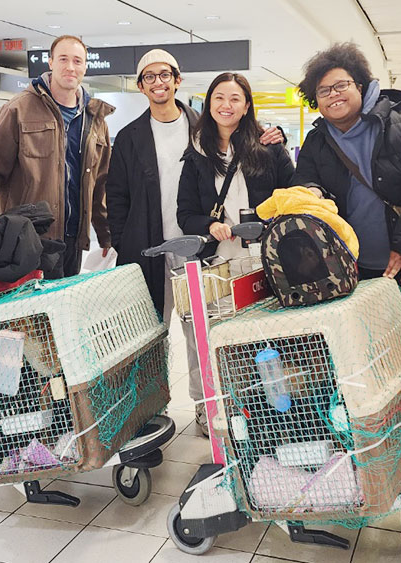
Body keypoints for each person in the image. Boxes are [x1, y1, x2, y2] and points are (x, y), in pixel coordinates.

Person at [107, 53, 284, 435]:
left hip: (203, 251)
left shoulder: (198, 129)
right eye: (149, 77)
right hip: (149, 250)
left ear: (177, 80)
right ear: (140, 85)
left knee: (198, 332)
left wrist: (273, 138)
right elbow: (116, 196)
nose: (158, 82)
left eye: (165, 75)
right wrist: (123, 243)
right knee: (150, 333)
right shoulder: (128, 137)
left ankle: (206, 407)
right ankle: (150, 410)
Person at [291, 42, 401, 340]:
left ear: (360, 85)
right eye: (323, 91)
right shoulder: (317, 141)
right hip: (351, 270)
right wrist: (312, 192)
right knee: (368, 350)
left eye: (341, 85)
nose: (333, 94)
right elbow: (302, 184)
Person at [0, 34, 113, 277]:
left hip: (73, 240)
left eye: (77, 61)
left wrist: (105, 234)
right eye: (63, 59)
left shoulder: (95, 119)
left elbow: (100, 183)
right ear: (50, 62)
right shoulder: (19, 109)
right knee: (33, 314)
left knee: (67, 311)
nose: (70, 67)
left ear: (85, 66)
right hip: (28, 239)